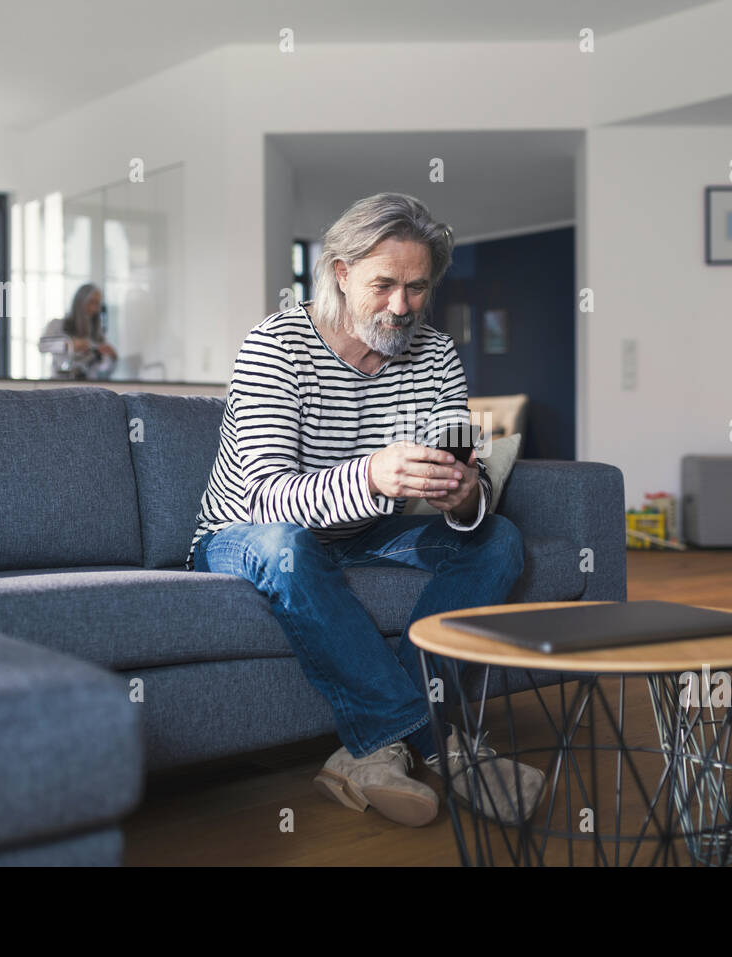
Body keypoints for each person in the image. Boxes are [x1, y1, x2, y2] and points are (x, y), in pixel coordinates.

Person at [188, 193, 544, 828]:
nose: (401, 306)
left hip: (365, 530)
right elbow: (266, 496)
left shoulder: (435, 354)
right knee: (287, 544)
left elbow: (464, 472)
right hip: (243, 533)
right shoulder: (276, 346)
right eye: (384, 285)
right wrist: (375, 473)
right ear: (341, 272)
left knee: (498, 539)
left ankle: (370, 755)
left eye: (416, 287)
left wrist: (465, 496)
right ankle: (440, 745)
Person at [40, 284, 118, 379]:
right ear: (80, 302)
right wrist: (69, 344)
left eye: (98, 304)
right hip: (60, 382)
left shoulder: (97, 335)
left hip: (88, 386)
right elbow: (42, 346)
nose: (95, 308)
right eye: (91, 302)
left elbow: (103, 370)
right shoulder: (57, 324)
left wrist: (111, 356)